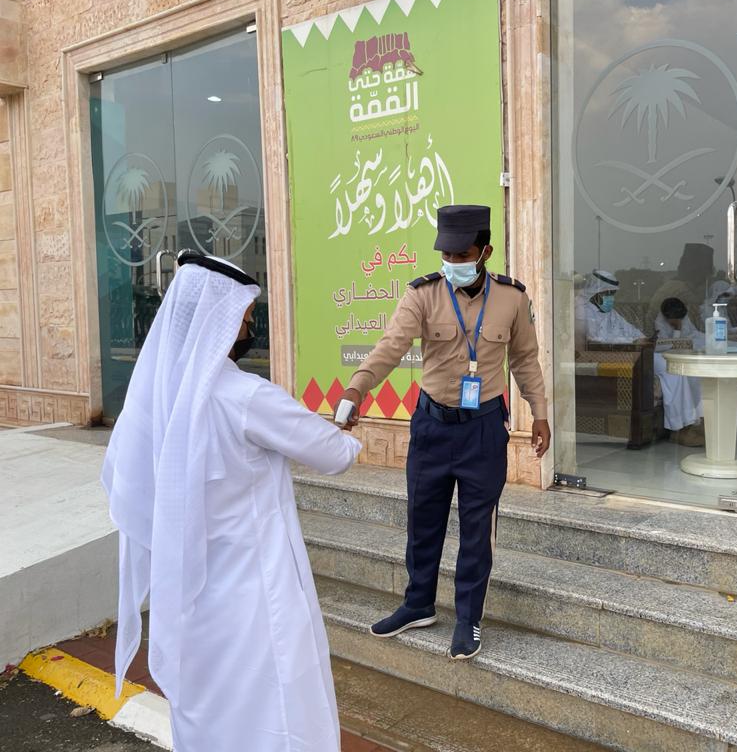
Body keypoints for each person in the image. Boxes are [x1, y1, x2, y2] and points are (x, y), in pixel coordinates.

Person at [102, 251, 362, 752]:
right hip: (255, 593)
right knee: (276, 706)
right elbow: (332, 455)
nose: (247, 331)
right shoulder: (244, 395)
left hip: (192, 594)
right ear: (219, 321)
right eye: (244, 319)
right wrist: (347, 436)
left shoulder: (160, 395)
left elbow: (128, 485)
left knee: (209, 710)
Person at [340, 205, 550, 661]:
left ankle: (468, 618)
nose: (453, 261)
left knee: (477, 530)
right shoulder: (423, 294)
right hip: (432, 426)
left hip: (483, 431)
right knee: (423, 520)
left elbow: (525, 360)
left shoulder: (512, 298)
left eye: (462, 254)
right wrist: (358, 388)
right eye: (447, 254)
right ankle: (418, 604)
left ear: (485, 252)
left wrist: (539, 412)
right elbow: (391, 346)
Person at [577, 271, 704, 446]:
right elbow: (596, 340)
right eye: (607, 294)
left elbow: (631, 330)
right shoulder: (583, 311)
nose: (610, 298)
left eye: (612, 294)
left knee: (675, 368)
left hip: (635, 352)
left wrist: (644, 339)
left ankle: (686, 424)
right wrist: (633, 342)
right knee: (671, 370)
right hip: (617, 356)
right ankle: (679, 429)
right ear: (596, 292)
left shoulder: (610, 312)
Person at [647, 243, 716, 332]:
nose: (707, 277)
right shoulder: (681, 290)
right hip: (661, 336)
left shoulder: (672, 285)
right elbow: (700, 324)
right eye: (706, 272)